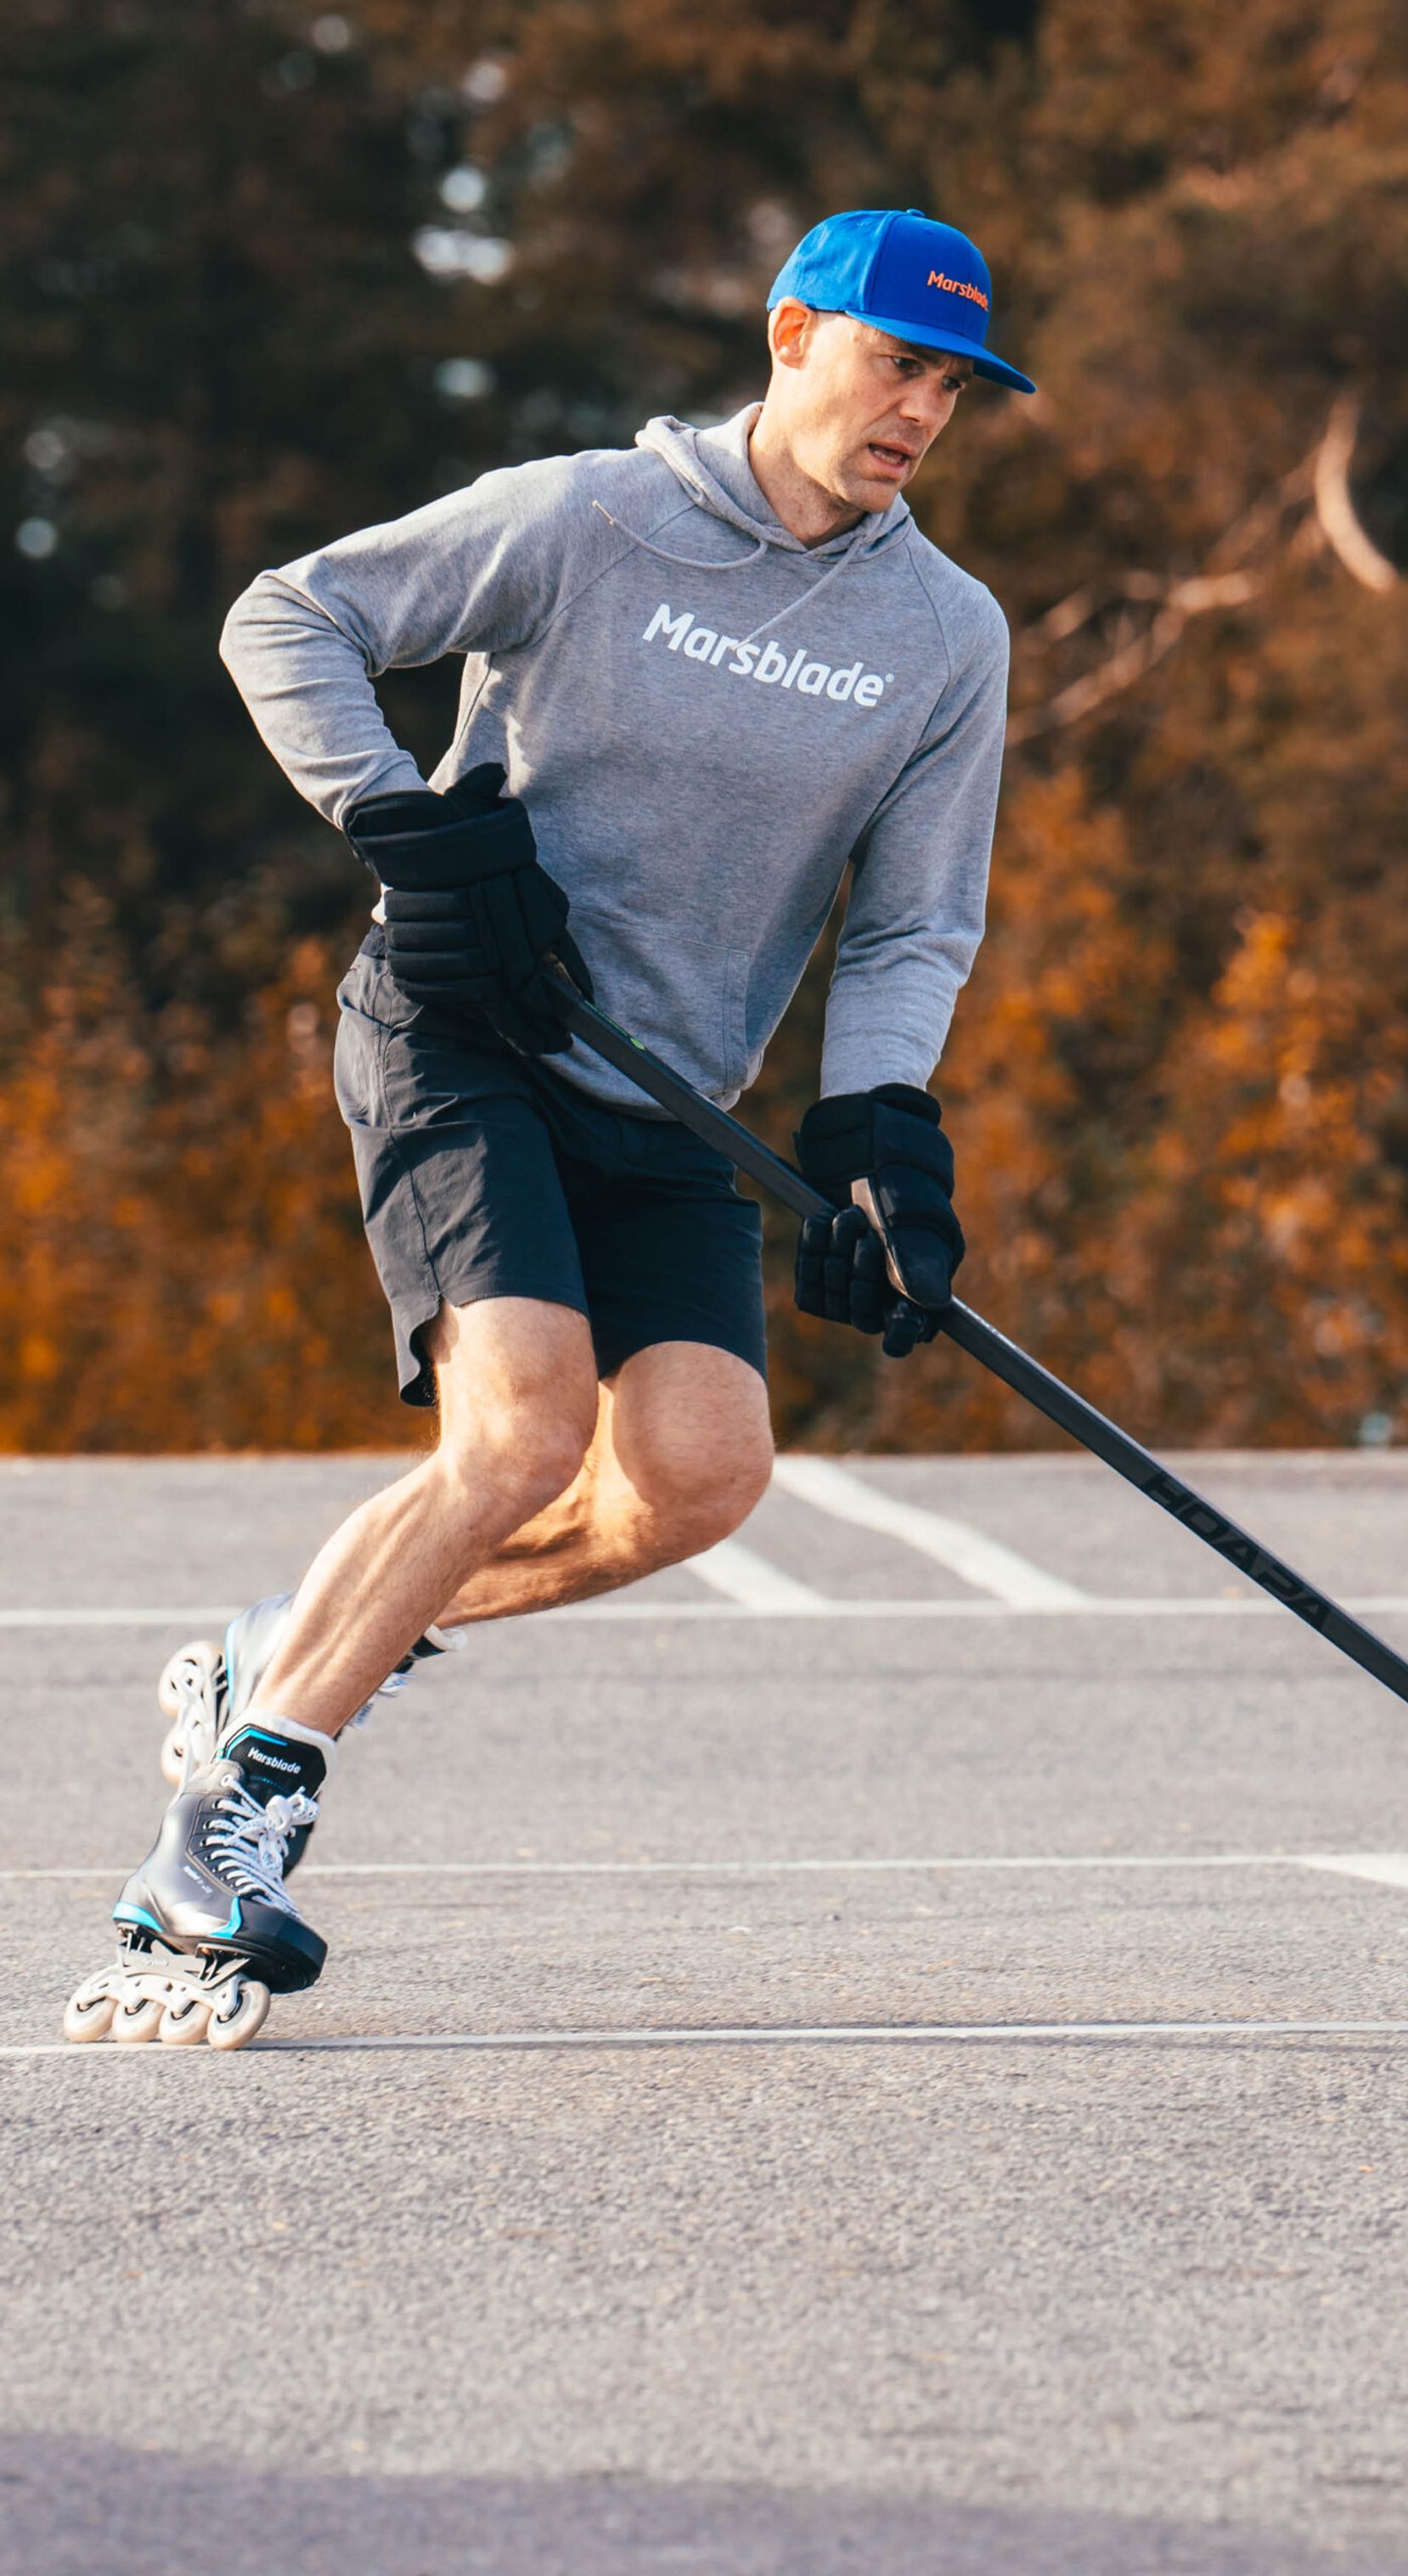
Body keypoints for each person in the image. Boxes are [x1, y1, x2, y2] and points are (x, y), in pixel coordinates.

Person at [64, 208, 1033, 2049]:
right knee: (521, 1426)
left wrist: (881, 1131)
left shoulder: (944, 633)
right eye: (894, 361)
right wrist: (409, 828)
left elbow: (914, 920)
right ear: (788, 333)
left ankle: (281, 1648)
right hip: (463, 1032)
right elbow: (292, 613)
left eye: (953, 385)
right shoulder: (595, 515)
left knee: (694, 1481)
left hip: (671, 1090)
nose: (919, 408)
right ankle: (220, 1841)